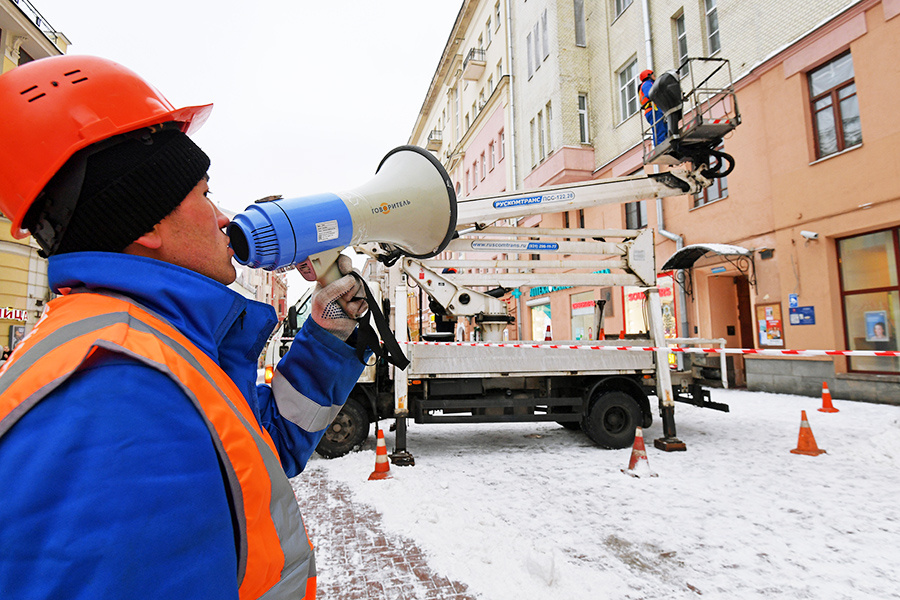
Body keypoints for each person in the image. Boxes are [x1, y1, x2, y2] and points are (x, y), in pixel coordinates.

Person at [0, 55, 370, 599]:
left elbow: (264, 443)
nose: (223, 216)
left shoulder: (150, 348)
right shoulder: (116, 390)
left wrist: (328, 329)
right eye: (203, 192)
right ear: (145, 222)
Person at [639, 69, 668, 145]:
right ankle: (660, 147)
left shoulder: (650, 83)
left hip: (655, 110)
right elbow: (650, 94)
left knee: (664, 129)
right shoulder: (647, 84)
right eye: (652, 74)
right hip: (653, 110)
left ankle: (665, 145)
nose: (654, 76)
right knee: (659, 130)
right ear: (648, 76)